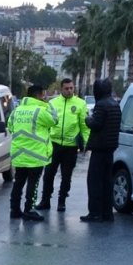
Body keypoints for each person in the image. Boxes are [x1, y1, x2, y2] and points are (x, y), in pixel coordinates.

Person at [38, 77, 90, 213]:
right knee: (48, 174)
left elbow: (84, 126)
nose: (69, 90)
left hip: (70, 146)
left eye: (71, 88)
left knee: (66, 176)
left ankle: (62, 201)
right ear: (61, 89)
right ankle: (45, 200)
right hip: (54, 144)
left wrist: (86, 142)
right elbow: (46, 123)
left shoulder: (80, 104)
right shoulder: (53, 103)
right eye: (66, 88)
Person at [8, 83, 56, 221]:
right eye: (43, 95)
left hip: (19, 154)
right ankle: (29, 210)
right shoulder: (41, 111)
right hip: (35, 155)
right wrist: (48, 105)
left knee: (18, 182)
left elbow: (10, 127)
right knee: (33, 184)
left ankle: (14, 210)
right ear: (39, 95)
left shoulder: (17, 110)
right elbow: (54, 120)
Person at [81, 78, 122, 222]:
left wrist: (87, 119)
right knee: (107, 182)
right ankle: (107, 213)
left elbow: (96, 124)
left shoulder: (101, 105)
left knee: (94, 182)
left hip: (99, 148)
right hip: (110, 148)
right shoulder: (115, 104)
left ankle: (95, 213)